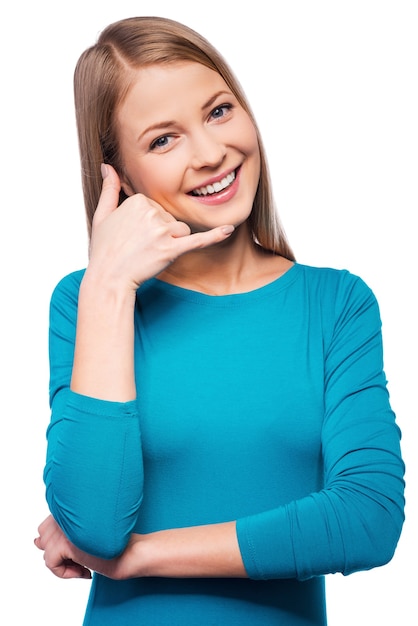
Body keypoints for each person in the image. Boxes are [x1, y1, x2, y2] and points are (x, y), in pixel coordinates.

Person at [34, 15, 405, 626]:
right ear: (119, 177)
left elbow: (367, 518)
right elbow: (94, 521)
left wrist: (139, 557)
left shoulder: (336, 305)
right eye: (163, 140)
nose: (212, 154)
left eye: (217, 111)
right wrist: (108, 282)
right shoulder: (88, 303)